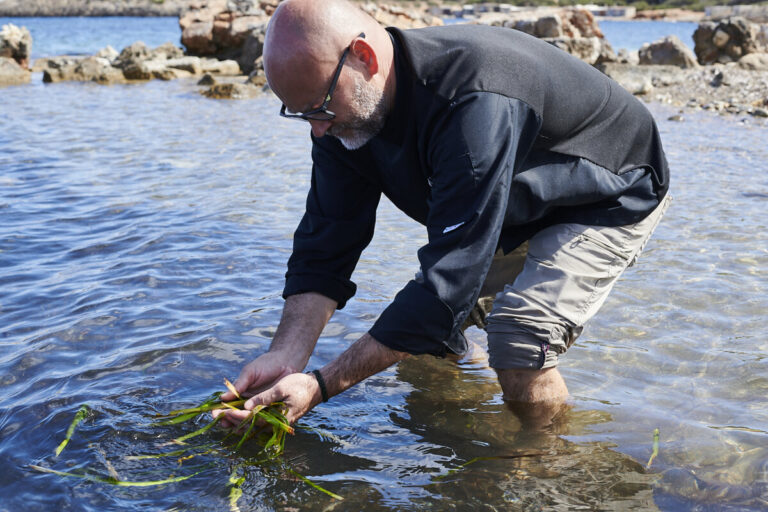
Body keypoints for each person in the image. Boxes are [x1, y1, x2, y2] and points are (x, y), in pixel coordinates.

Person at [213, 0, 670, 429]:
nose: (318, 128)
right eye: (301, 115)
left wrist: (322, 385)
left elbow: (446, 284)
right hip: (510, 200)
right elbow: (326, 246)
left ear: (364, 58)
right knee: (427, 346)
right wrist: (286, 357)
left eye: (320, 108)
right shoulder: (341, 121)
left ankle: (543, 466)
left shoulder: (471, 101)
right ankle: (461, 435)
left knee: (519, 339)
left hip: (610, 190)